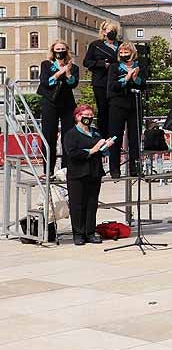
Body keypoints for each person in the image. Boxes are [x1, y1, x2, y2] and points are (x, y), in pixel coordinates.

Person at [62, 104, 108, 245]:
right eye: (85, 115)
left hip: (94, 172)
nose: (88, 118)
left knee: (92, 203)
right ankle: (78, 233)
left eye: (90, 115)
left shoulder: (96, 133)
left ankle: (90, 232)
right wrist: (92, 150)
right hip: (77, 174)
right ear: (77, 117)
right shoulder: (71, 134)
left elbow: (101, 151)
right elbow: (73, 153)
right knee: (77, 204)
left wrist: (105, 147)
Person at [37, 40, 79, 177]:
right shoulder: (46, 65)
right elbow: (45, 82)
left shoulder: (74, 67)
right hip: (50, 102)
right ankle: (48, 170)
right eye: (57, 49)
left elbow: (73, 84)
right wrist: (58, 73)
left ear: (66, 51)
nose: (60, 52)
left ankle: (66, 169)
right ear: (53, 51)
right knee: (49, 136)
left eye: (62, 49)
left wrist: (67, 73)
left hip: (67, 104)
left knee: (68, 136)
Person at [106, 42, 145, 179]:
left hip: (134, 104)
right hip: (117, 104)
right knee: (116, 136)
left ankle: (135, 167)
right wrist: (126, 79)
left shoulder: (139, 66)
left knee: (135, 136)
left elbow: (144, 85)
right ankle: (114, 168)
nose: (123, 55)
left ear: (132, 53)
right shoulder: (114, 67)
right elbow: (112, 86)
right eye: (121, 53)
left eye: (126, 52)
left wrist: (135, 78)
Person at [82, 21, 119, 137]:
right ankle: (103, 137)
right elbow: (86, 62)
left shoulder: (121, 45)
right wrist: (101, 64)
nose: (112, 33)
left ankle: (115, 137)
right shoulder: (95, 45)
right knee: (103, 110)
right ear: (103, 32)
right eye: (109, 30)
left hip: (117, 82)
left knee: (116, 111)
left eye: (114, 31)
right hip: (101, 82)